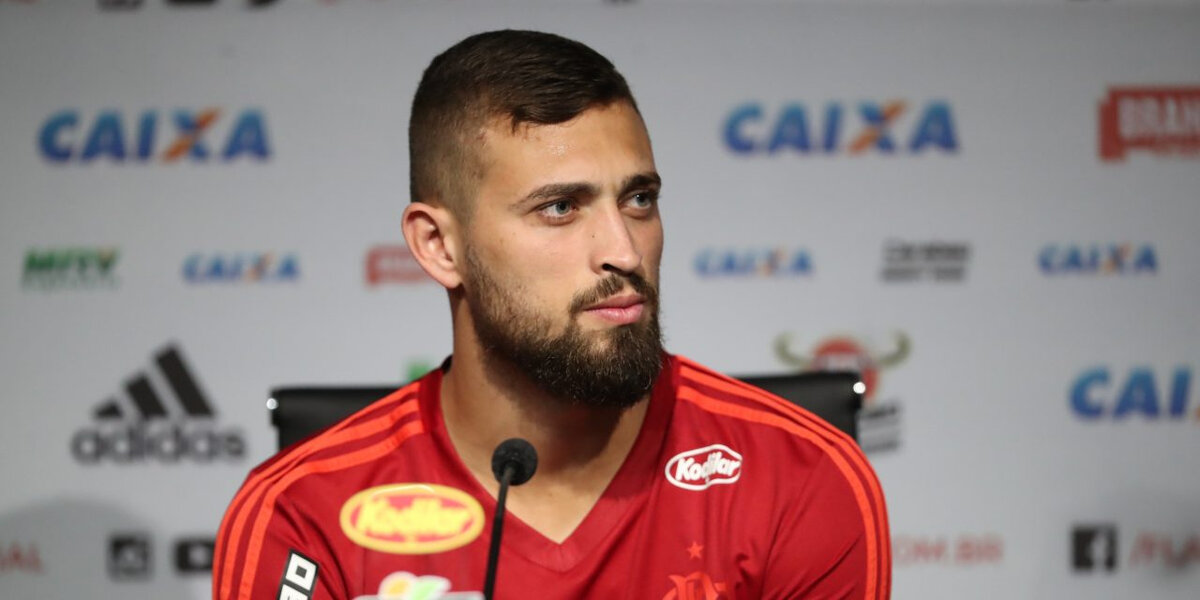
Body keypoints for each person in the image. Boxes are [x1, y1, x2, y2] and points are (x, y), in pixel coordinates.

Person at [214, 29, 889, 600]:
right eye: (560, 208)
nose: (624, 251)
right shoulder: (303, 514)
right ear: (439, 246)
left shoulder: (800, 476)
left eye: (639, 200)